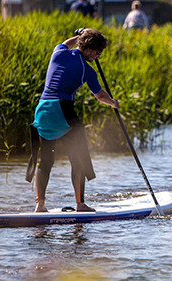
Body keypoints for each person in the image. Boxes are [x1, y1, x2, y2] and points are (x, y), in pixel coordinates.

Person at [26, 29, 119, 213]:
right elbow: (100, 95)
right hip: (62, 110)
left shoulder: (58, 52)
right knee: (78, 159)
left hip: (42, 110)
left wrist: (80, 36)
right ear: (91, 50)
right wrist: (113, 103)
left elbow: (67, 42)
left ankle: (40, 204)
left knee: (45, 162)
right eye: (98, 53)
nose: (98, 56)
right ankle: (80, 204)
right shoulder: (87, 69)